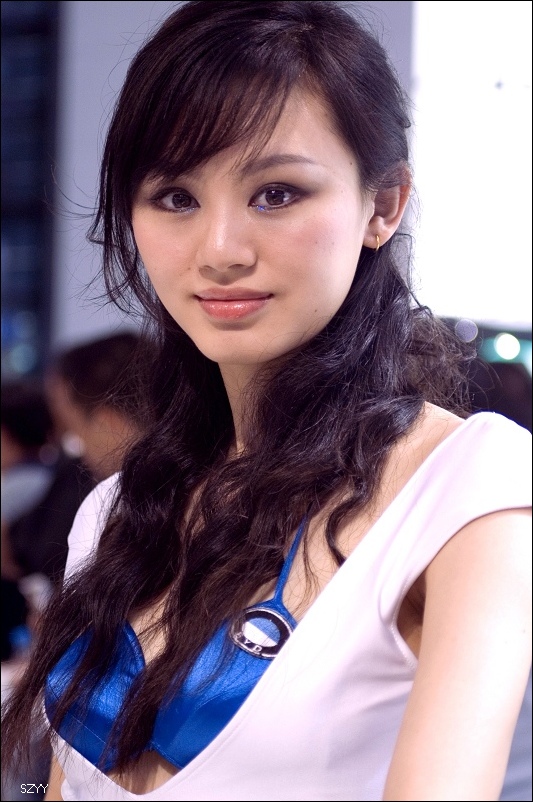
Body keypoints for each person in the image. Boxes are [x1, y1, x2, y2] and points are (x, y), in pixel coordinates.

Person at [2, 3, 531, 800]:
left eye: (276, 193)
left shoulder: (467, 489)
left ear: (383, 205)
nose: (219, 251)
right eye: (175, 196)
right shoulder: (114, 514)